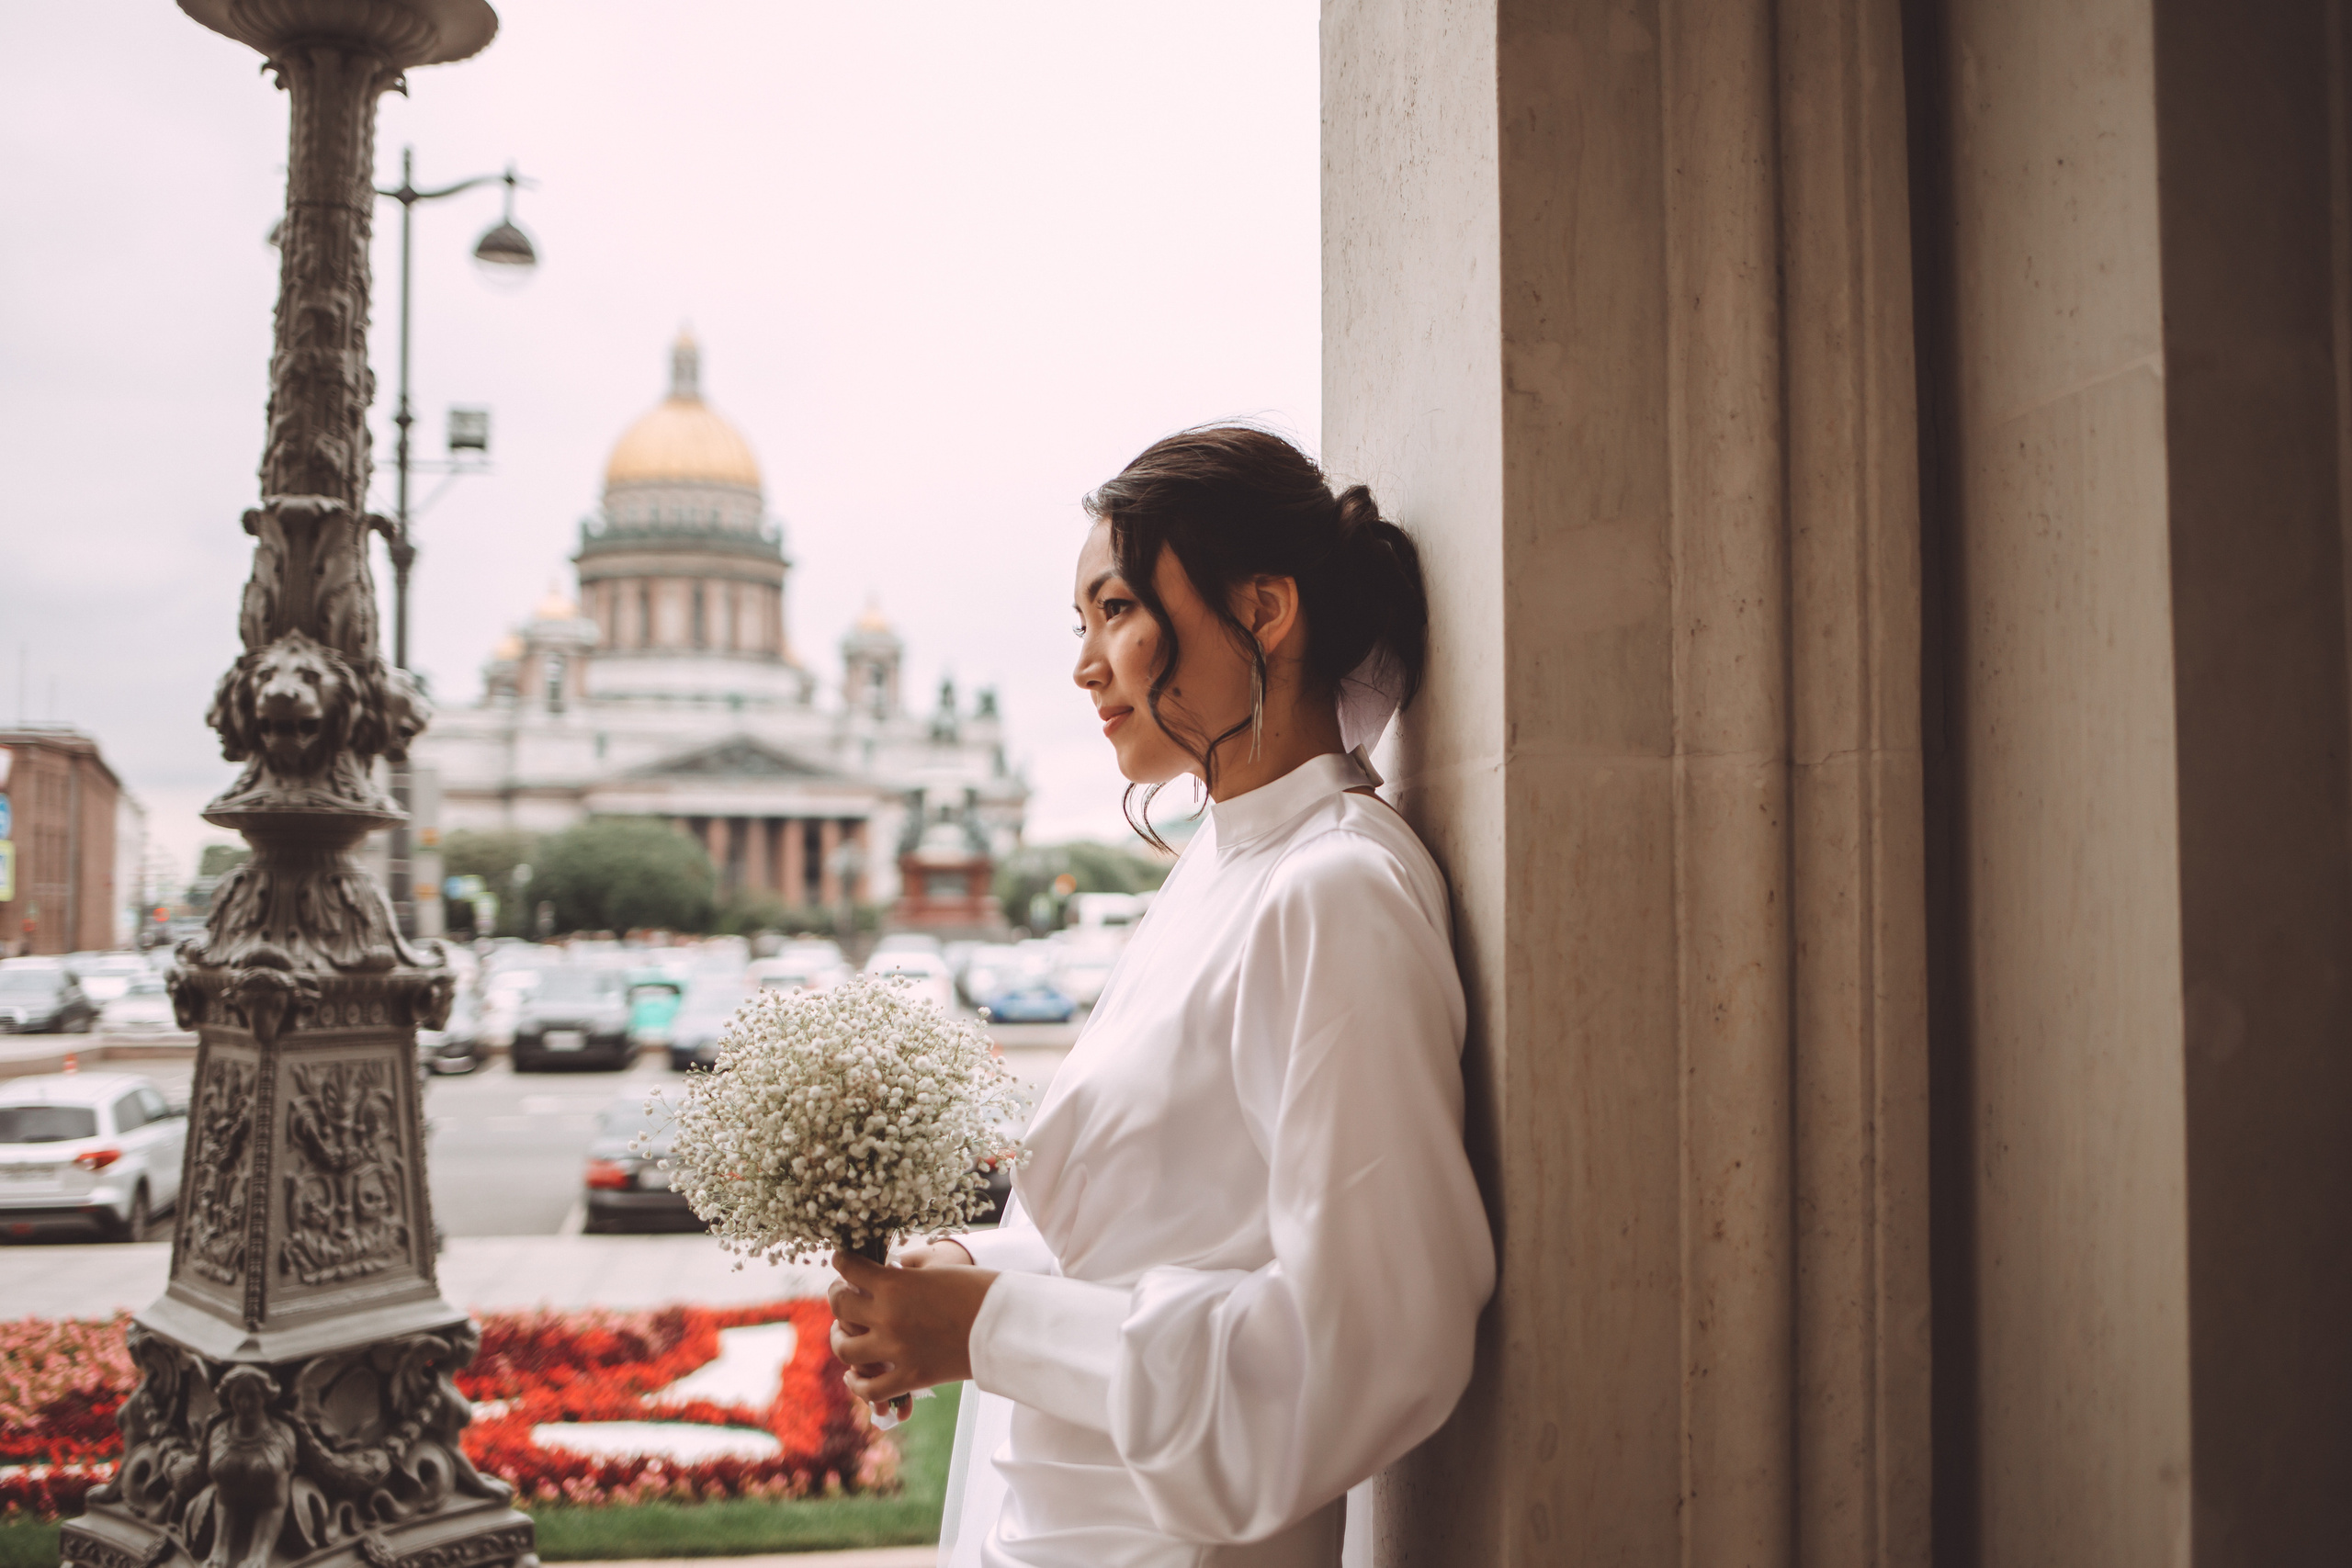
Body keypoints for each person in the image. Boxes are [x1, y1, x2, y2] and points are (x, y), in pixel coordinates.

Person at [827, 424, 1495, 1568]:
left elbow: (1375, 1344)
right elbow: (1162, 1248)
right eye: (1080, 624)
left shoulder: (1334, 886)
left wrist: (995, 1326)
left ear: (1265, 610)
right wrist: (979, 1284)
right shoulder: (1218, 867)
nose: (1088, 665)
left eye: (1119, 608)